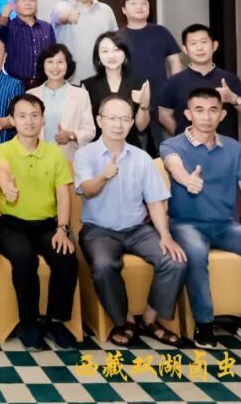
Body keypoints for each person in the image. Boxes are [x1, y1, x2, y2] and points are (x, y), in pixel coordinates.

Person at [161, 88, 241, 351]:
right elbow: (174, 165)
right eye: (199, 110)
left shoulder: (234, 149)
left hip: (225, 226)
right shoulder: (172, 145)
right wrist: (187, 180)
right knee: (195, 253)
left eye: (213, 110)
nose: (206, 117)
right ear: (188, 114)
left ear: (222, 115)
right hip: (186, 224)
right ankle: (204, 323)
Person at [74, 95, 186, 347]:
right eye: (112, 118)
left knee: (175, 260)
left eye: (125, 119)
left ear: (132, 123)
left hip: (138, 230)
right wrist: (103, 176)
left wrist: (165, 236)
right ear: (99, 121)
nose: (119, 124)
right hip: (98, 231)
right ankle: (123, 320)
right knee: (104, 265)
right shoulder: (86, 154)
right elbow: (87, 190)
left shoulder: (141, 157)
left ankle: (150, 318)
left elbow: (155, 202)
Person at [0, 94, 79, 349]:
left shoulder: (54, 154)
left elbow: (63, 195)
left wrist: (62, 229)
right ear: (12, 120)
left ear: (43, 120)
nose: (29, 121)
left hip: (47, 225)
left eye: (34, 115)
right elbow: (3, 171)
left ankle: (55, 321)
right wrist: (7, 186)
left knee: (65, 256)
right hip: (11, 224)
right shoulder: (3, 150)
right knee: (24, 257)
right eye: (22, 116)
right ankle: (28, 321)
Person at [158, 24, 241, 141]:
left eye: (204, 42)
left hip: (224, 146)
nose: (199, 48)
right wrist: (183, 137)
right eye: (193, 43)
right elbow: (163, 114)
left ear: (214, 46)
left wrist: (233, 98)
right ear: (185, 49)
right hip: (187, 148)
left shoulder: (229, 79)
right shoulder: (174, 81)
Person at [117, 0, 182, 154]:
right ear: (124, 10)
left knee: (168, 147)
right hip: (132, 100)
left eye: (144, 3)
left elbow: (174, 61)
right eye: (133, 3)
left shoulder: (161, 32)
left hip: (162, 98)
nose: (139, 7)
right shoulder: (117, 37)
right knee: (138, 149)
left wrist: (175, 89)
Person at [26, 44, 94, 161]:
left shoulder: (81, 95)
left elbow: (90, 130)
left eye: (60, 62)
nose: (55, 67)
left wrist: (72, 135)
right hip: (36, 159)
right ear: (43, 65)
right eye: (50, 61)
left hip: (69, 159)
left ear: (68, 65)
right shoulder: (30, 95)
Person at [80, 33, 150, 145]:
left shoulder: (140, 84)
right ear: (98, 57)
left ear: (125, 54)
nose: (111, 56)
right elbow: (85, 127)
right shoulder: (88, 86)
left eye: (117, 50)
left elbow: (141, 127)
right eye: (105, 51)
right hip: (98, 147)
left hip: (130, 146)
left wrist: (144, 106)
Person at [49, 0, 118, 84]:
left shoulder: (105, 9)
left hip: (102, 77)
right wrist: (68, 16)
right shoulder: (60, 6)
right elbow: (59, 16)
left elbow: (115, 41)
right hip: (71, 79)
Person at [0, 0, 56, 89]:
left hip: (43, 84)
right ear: (14, 5)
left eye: (32, 0)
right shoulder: (8, 26)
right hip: (14, 85)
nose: (28, 3)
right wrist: (5, 15)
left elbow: (53, 54)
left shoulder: (47, 27)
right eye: (23, 0)